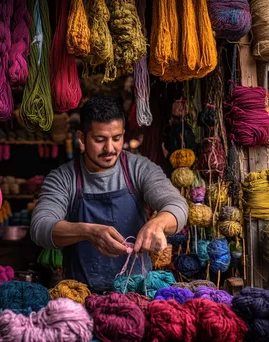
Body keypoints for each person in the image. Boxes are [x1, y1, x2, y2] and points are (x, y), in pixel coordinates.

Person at [30, 96, 188, 292]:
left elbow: (177, 206)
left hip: (138, 293)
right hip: (82, 295)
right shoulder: (63, 178)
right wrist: (89, 232)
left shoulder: (139, 168)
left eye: (116, 138)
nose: (110, 149)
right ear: (81, 138)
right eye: (99, 140)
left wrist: (158, 223)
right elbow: (40, 227)